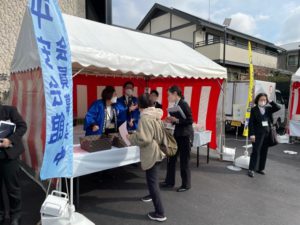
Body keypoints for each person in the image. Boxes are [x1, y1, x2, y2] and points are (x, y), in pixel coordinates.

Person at [128, 94, 167, 222]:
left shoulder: (145, 118)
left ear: (141, 105)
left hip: (151, 153)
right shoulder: (156, 114)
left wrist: (131, 137)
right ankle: (155, 201)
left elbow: (144, 139)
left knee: (153, 183)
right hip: (158, 150)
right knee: (153, 181)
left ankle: (160, 213)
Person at [161, 86, 194, 192]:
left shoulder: (183, 104)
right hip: (178, 134)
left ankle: (186, 185)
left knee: (184, 161)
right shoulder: (176, 105)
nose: (167, 97)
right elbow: (180, 120)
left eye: (168, 95)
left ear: (175, 93)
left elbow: (190, 120)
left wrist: (177, 120)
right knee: (171, 159)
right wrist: (172, 120)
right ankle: (169, 181)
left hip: (185, 136)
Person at [0, 104, 27, 225]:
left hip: (8, 156)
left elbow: (22, 126)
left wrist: (10, 140)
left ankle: (16, 214)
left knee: (12, 188)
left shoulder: (9, 110)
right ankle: (1, 213)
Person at [248, 93, 281, 178]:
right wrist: (252, 134)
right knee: (255, 151)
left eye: (264, 100)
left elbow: (278, 107)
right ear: (257, 100)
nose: (263, 101)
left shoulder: (268, 109)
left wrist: (271, 101)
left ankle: (261, 168)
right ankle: (251, 169)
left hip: (267, 134)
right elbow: (250, 123)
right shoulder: (254, 110)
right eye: (261, 100)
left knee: (264, 152)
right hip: (257, 135)